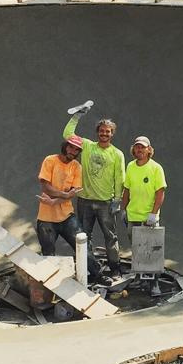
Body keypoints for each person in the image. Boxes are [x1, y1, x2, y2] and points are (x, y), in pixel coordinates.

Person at [65, 102, 125, 277]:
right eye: (102, 130)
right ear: (97, 132)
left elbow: (119, 178)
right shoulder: (87, 146)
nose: (104, 133)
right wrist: (77, 116)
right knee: (83, 236)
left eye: (108, 131)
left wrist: (117, 200)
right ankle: (88, 268)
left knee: (110, 236)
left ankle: (115, 268)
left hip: (106, 202)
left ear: (112, 134)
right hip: (85, 200)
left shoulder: (117, 154)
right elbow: (68, 135)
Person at [36, 134, 101, 280]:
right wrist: (64, 195)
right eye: (71, 147)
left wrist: (57, 200)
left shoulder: (76, 167)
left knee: (83, 247)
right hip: (46, 218)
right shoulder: (50, 160)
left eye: (77, 150)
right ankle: (49, 284)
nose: (73, 151)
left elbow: (73, 192)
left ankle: (97, 275)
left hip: (66, 216)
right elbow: (46, 187)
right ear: (65, 146)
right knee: (48, 253)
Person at [122, 136, 166, 229]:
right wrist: (123, 210)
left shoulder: (156, 168)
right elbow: (127, 190)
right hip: (132, 218)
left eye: (143, 147)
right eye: (137, 147)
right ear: (133, 149)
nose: (140, 149)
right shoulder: (130, 166)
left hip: (148, 220)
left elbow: (160, 193)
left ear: (149, 150)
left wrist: (153, 215)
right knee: (134, 244)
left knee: (150, 244)